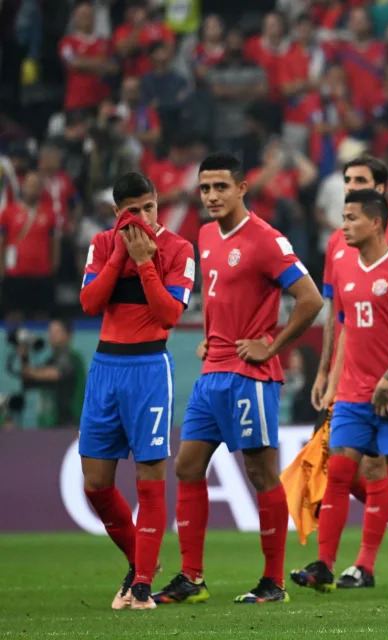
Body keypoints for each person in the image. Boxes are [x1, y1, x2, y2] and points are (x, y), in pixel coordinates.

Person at [152, 152, 322, 605]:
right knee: (187, 465)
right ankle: (191, 577)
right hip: (213, 372)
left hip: (251, 374)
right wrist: (211, 336)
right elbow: (215, 294)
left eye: (220, 187)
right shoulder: (205, 235)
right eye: (205, 188)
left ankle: (274, 582)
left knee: (261, 473)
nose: (211, 196)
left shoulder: (266, 240)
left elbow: (309, 299)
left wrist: (273, 345)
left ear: (242, 188)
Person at [292, 189, 388, 592]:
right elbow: (344, 329)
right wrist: (333, 381)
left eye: (352, 218)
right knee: (338, 474)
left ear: (375, 222)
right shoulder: (342, 266)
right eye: (343, 217)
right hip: (353, 392)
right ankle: (323, 564)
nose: (344, 226)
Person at [77, 171, 195, 609]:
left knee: (149, 479)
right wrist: (121, 257)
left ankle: (142, 584)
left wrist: (145, 263)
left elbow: (168, 316)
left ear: (158, 203)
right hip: (106, 367)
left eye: (149, 207)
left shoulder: (180, 249)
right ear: (117, 213)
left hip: (148, 368)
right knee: (95, 483)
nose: (143, 218)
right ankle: (138, 560)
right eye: (133, 211)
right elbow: (90, 304)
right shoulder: (104, 243)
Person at [0, 170, 60, 322]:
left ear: (41, 189)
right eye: (30, 184)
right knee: (13, 316)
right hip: (14, 275)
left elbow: (54, 243)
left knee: (42, 317)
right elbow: (2, 242)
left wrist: (54, 266)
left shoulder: (49, 213)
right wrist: (1, 269)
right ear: (23, 186)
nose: (32, 188)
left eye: (36, 185)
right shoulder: (8, 212)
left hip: (42, 275)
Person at [17, 318, 84, 427]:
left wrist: (31, 371)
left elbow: (57, 374)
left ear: (69, 335)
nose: (52, 335)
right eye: (50, 331)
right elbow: (28, 381)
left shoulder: (73, 358)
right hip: (50, 425)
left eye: (57, 332)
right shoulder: (50, 361)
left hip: (70, 424)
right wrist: (24, 356)